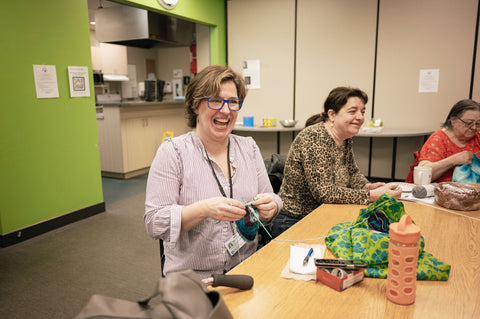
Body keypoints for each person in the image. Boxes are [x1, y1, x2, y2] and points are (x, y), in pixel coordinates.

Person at [144, 65, 282, 279]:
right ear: (195, 106)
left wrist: (272, 206)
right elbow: (154, 222)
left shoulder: (249, 148)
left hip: (248, 268)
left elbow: (272, 198)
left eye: (233, 102)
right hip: (194, 279)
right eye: (215, 100)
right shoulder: (173, 152)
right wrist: (204, 209)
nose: (226, 110)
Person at [272, 87, 401, 237]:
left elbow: (352, 173)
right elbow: (325, 192)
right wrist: (372, 195)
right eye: (352, 111)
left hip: (323, 214)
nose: (360, 117)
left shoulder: (344, 138)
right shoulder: (315, 137)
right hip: (294, 221)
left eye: (363, 111)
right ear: (332, 115)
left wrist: (367, 186)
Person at [406, 99, 480, 183]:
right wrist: (453, 160)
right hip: (442, 192)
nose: (474, 128)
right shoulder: (439, 140)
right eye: (468, 123)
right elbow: (423, 174)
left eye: (478, 124)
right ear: (453, 121)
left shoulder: (477, 137)